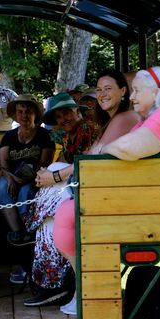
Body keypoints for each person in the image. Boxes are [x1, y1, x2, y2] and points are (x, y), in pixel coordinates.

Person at [52, 71, 140, 315]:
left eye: (108, 88)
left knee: (59, 211)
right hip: (106, 188)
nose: (102, 94)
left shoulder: (124, 118)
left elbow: (94, 156)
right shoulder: (112, 121)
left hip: (116, 196)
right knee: (57, 209)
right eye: (99, 89)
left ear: (123, 91)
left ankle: (83, 289)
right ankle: (81, 287)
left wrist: (56, 177)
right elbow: (90, 155)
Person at [23, 92, 97, 307]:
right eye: (58, 116)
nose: (63, 119)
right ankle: (54, 285)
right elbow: (63, 162)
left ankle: (52, 285)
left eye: (66, 112)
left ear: (77, 111)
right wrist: (44, 174)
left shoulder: (86, 129)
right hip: (74, 190)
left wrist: (52, 176)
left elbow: (83, 164)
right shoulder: (69, 136)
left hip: (89, 190)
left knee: (46, 222)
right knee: (48, 224)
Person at [0, 94, 55, 245]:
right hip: (11, 176)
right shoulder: (9, 136)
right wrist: (11, 179)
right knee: (2, 186)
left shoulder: (44, 135)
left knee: (25, 190)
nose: (24, 115)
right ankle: (16, 231)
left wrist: (26, 179)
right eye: (20, 112)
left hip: (36, 176)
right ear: (16, 115)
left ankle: (29, 230)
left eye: (28, 111)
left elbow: (44, 163)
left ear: (35, 113)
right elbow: (3, 163)